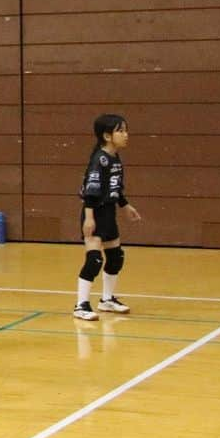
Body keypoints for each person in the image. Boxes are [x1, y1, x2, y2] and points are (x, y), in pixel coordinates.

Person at [73, 113, 141, 321]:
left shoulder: (115, 157)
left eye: (125, 129)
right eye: (120, 130)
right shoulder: (99, 160)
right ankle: (81, 305)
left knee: (116, 257)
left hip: (109, 212)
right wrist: (89, 218)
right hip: (94, 212)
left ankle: (107, 299)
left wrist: (125, 205)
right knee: (94, 259)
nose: (125, 134)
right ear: (107, 136)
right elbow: (90, 191)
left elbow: (114, 187)